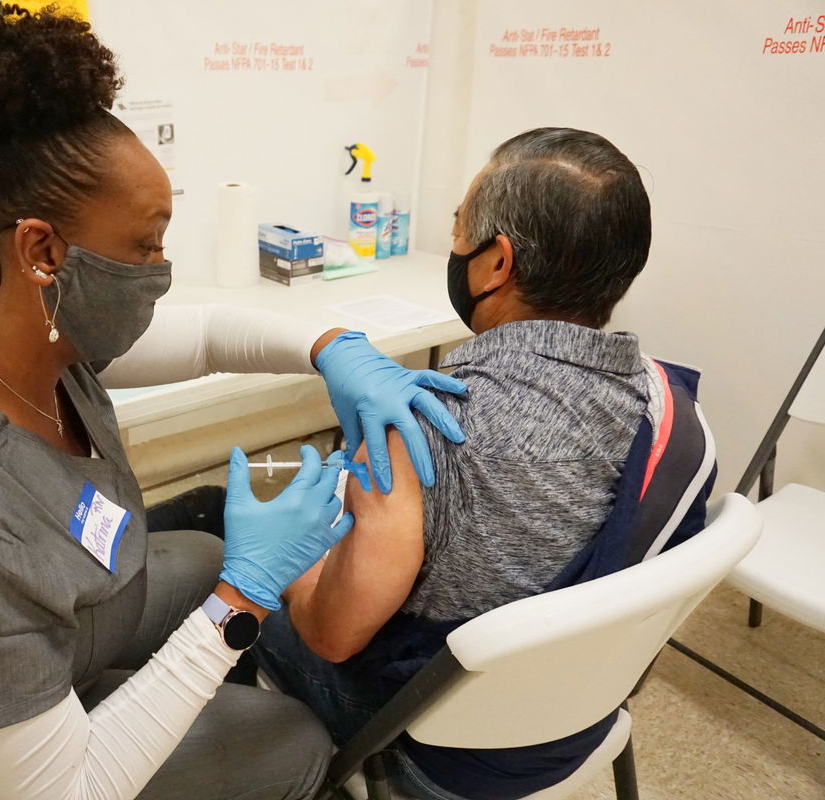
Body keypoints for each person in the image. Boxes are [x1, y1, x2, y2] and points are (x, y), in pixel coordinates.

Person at [0, 7, 466, 800]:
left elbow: (209, 336)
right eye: (144, 245)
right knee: (290, 739)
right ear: (43, 251)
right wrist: (238, 604)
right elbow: (67, 792)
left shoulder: (14, 334)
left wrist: (333, 348)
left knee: (202, 553)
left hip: (24, 652)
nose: (160, 270)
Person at [252, 128, 717, 800]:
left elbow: (331, 635)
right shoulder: (678, 417)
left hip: (434, 752)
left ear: (495, 264)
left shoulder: (417, 427)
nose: (453, 245)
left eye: (458, 229)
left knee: (228, 558)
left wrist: (283, 561)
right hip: (580, 719)